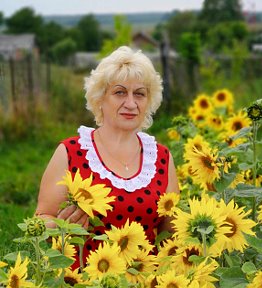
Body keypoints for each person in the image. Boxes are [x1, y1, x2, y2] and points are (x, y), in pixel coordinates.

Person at [35, 46, 180, 267]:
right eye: (120, 92)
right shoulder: (72, 152)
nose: (131, 103)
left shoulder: (161, 158)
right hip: (83, 279)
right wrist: (61, 225)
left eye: (139, 94)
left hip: (144, 278)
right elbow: (41, 219)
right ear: (100, 98)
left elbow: (170, 235)